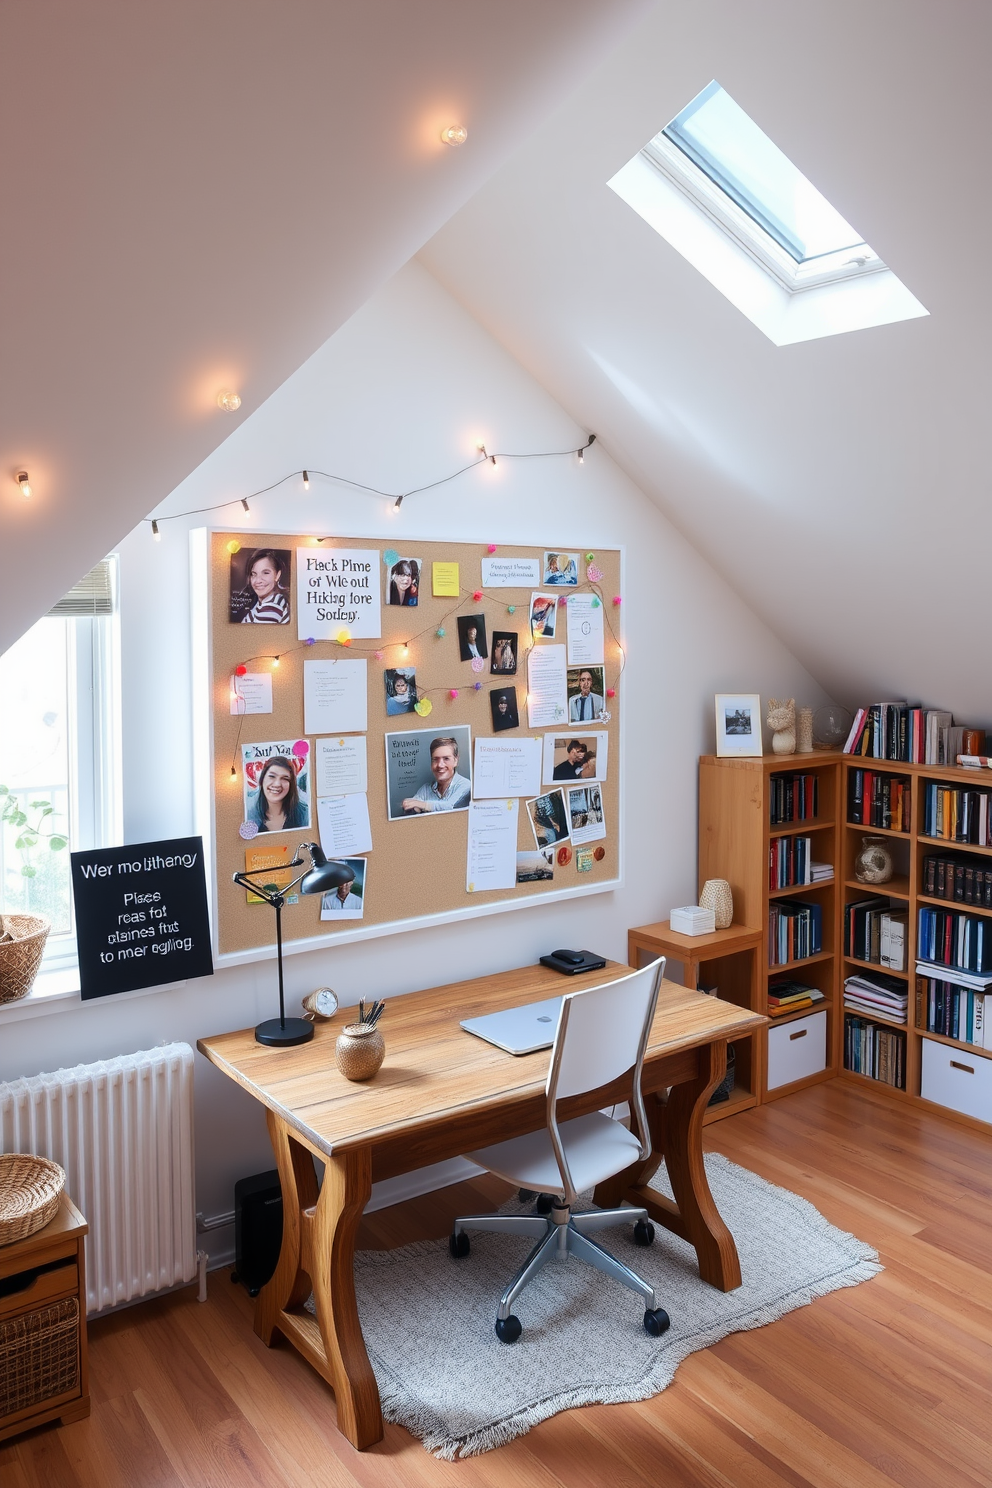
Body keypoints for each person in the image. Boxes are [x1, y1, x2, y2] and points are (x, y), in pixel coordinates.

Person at [402, 736, 471, 813]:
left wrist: (423, 805)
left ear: (456, 760)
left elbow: (450, 806)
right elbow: (412, 807)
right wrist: (411, 806)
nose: (440, 765)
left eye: (446, 758)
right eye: (435, 759)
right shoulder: (425, 790)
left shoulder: (465, 785)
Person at [250, 755, 307, 832]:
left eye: (285, 778)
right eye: (272, 776)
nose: (277, 784)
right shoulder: (249, 816)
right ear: (262, 779)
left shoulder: (305, 816)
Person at [240, 549, 290, 624]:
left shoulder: (273, 606)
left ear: (277, 575)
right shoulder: (264, 602)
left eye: (266, 573)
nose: (258, 580)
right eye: (253, 574)